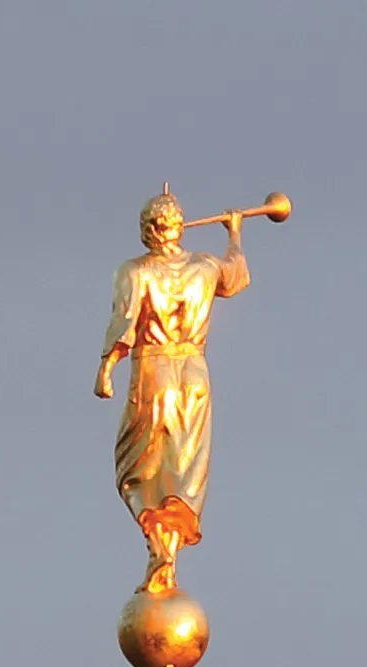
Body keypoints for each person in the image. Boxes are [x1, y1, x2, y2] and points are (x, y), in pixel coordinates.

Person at [95, 191, 263, 566]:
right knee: (183, 468)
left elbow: (124, 322)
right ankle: (166, 550)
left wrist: (105, 370)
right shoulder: (204, 266)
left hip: (155, 372)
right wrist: (234, 233)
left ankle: (159, 545)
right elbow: (235, 276)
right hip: (194, 374)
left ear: (150, 230)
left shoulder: (136, 272)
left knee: (135, 469)